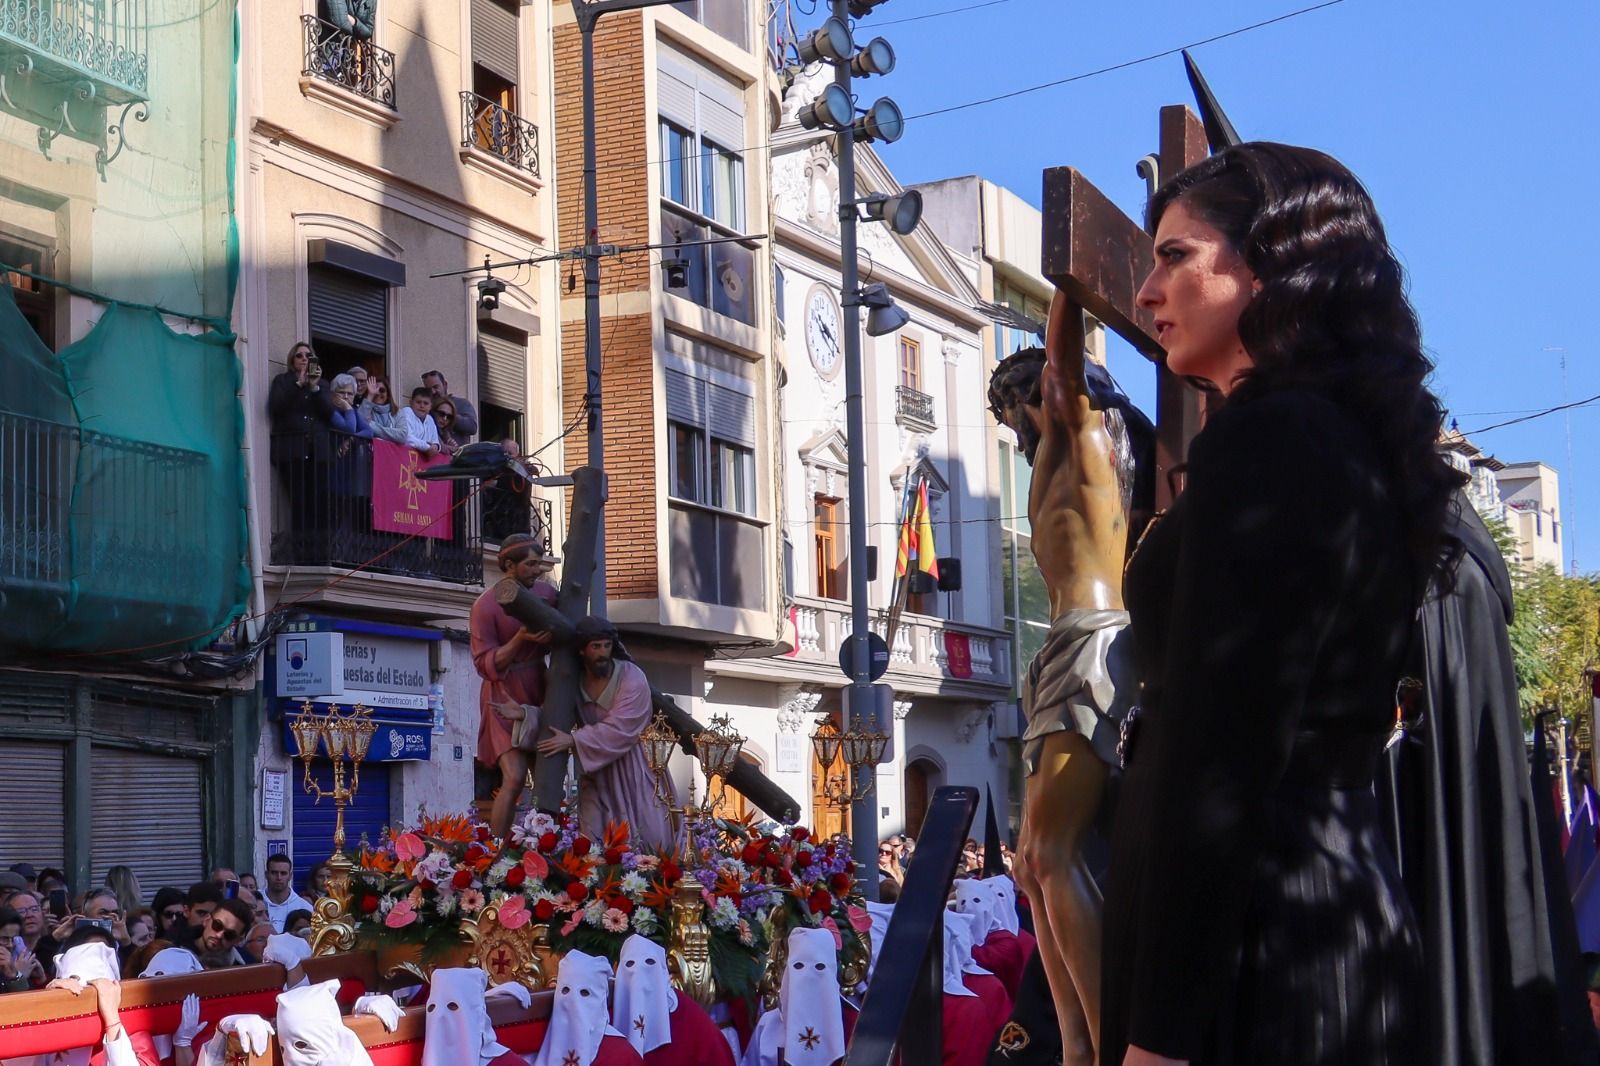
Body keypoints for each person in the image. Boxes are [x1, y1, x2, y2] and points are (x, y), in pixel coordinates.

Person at [1099, 142, 1467, 1066]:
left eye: (1176, 256)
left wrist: (1159, 1037)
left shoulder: (1277, 441)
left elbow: (1222, 747)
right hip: (1301, 916)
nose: (1146, 293)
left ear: (1273, 266)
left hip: (1260, 955)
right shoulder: (1327, 436)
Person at [533, 616, 676, 851]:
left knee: (650, 835)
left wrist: (574, 740)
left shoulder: (632, 677)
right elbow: (553, 716)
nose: (602, 653)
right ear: (582, 650)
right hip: (596, 771)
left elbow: (624, 726)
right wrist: (524, 715)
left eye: (606, 645)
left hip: (634, 765)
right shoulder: (572, 681)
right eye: (595, 646)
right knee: (592, 840)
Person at [471, 533, 558, 841]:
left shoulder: (548, 594)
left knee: (549, 777)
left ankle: (549, 842)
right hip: (503, 692)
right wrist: (520, 638)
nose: (538, 571)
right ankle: (495, 849)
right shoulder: (485, 606)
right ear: (509, 565)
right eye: (531, 564)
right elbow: (485, 664)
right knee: (515, 777)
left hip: (540, 686)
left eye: (540, 564)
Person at [611, 934, 735, 1066]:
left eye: (649, 963)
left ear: (664, 971)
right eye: (630, 964)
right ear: (617, 969)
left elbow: (715, 1055)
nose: (638, 976)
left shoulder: (690, 1017)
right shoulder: (606, 1012)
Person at [532, 951, 641, 1066]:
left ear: (600, 999)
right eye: (565, 991)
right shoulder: (537, 1042)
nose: (574, 1002)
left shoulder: (621, 1054)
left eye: (584, 993)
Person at [263, 853, 315, 933]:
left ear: (290, 876)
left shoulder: (305, 907)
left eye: (283, 873)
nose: (279, 878)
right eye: (274, 873)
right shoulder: (256, 903)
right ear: (266, 875)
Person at [422, 370, 479, 439]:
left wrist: (449, 415)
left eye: (435, 387)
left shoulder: (461, 403)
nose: (433, 392)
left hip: (458, 449)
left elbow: (472, 427)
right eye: (428, 390)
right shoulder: (427, 409)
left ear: (445, 385)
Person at [359, 376, 407, 444]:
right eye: (374, 389)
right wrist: (370, 396)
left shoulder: (397, 412)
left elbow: (402, 436)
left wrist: (371, 425)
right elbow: (360, 424)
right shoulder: (366, 408)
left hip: (391, 453)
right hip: (370, 452)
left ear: (388, 394)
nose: (378, 393)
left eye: (382, 390)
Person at [399, 386, 442, 457]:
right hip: (404, 458)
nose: (422, 406)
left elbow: (435, 441)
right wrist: (427, 447)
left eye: (426, 403)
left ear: (430, 406)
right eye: (418, 402)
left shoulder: (430, 419)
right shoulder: (406, 412)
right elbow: (406, 438)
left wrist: (436, 447)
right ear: (411, 403)